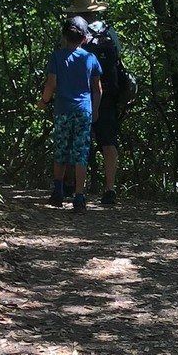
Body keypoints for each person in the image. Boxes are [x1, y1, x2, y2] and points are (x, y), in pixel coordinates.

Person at [64, 0, 124, 206]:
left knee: (76, 140)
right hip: (107, 93)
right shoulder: (109, 32)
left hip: (79, 94)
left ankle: (72, 185)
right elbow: (117, 60)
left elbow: (64, 59)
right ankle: (110, 188)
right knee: (108, 141)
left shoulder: (73, 31)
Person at [41, 14, 103, 213]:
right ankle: (78, 197)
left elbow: (51, 84)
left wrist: (44, 102)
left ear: (64, 36)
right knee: (80, 154)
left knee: (61, 150)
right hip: (83, 111)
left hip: (62, 110)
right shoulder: (90, 58)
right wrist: (95, 111)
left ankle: (58, 192)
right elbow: (98, 88)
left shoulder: (57, 57)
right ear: (85, 38)